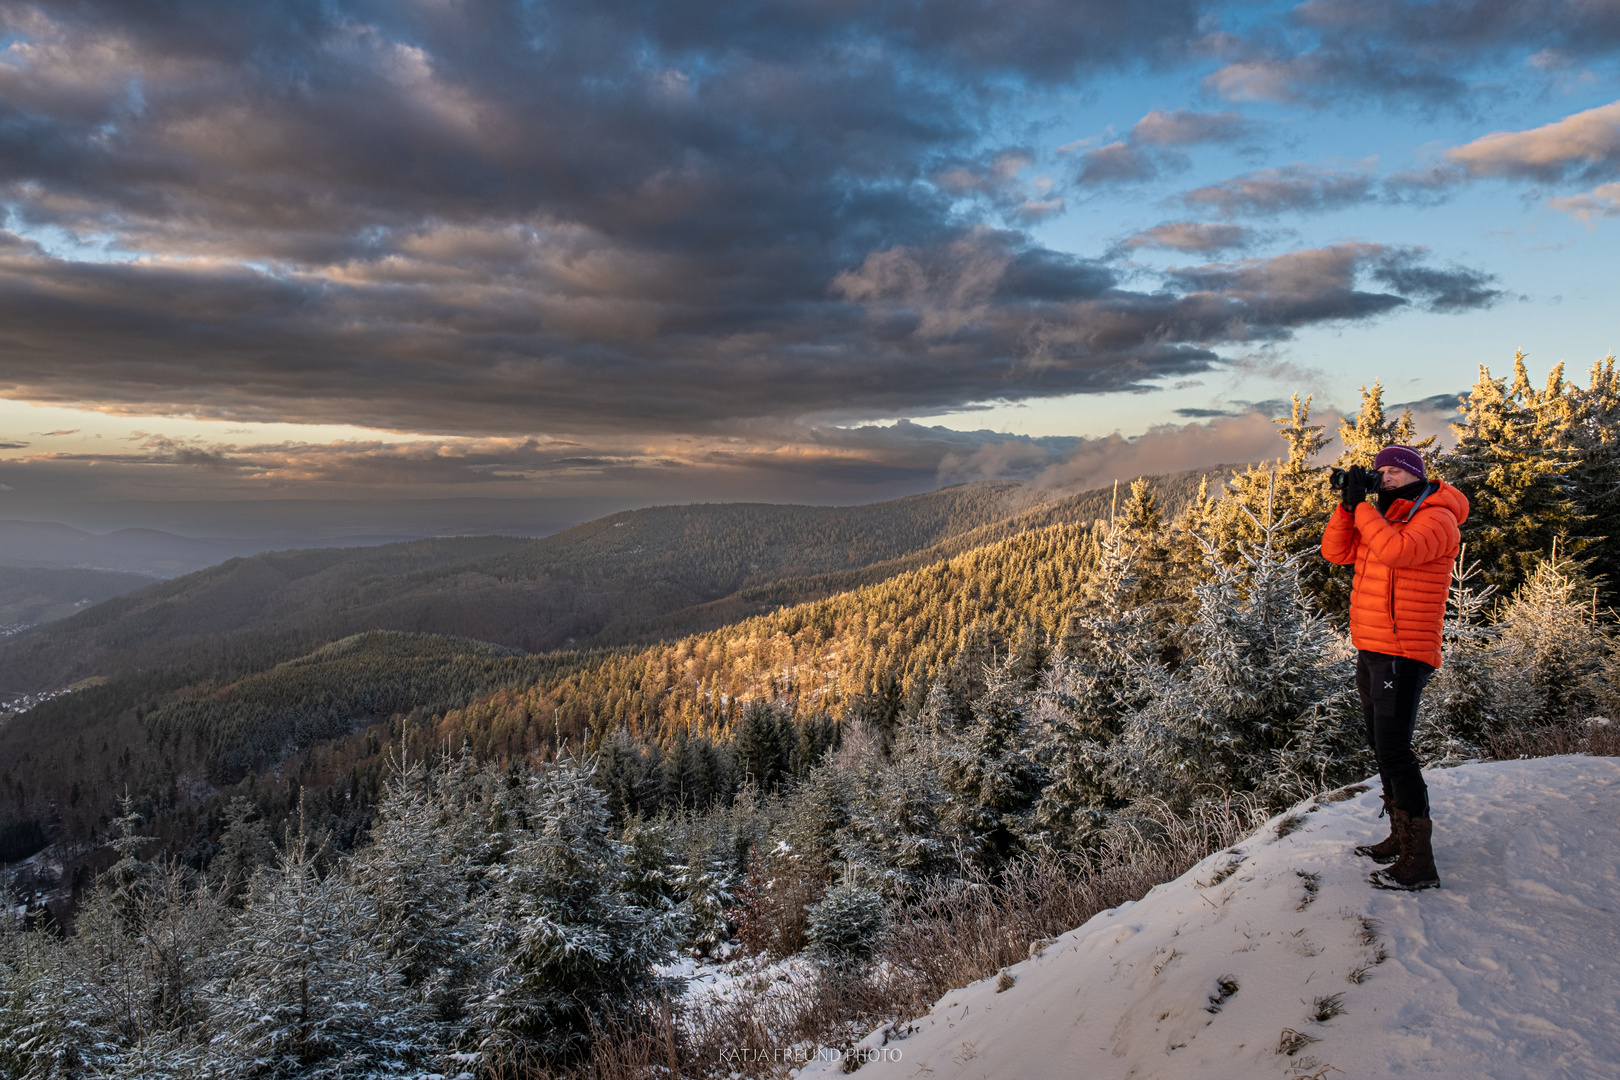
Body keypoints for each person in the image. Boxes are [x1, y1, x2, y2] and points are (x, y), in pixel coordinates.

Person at [1320, 445, 1470, 890]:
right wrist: (1347, 508)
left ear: (1413, 475)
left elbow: (1395, 553)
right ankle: (1400, 837)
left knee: (1395, 749)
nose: (1383, 477)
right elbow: (1335, 552)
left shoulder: (1438, 518)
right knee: (1380, 744)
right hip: (1372, 647)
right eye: (1378, 471)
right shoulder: (1384, 516)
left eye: (1392, 472)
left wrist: (1364, 508)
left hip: (1404, 651)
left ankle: (1419, 863)